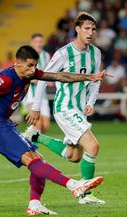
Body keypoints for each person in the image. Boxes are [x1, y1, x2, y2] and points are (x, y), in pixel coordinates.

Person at [0, 45, 107, 215]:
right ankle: (74, 185)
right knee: (32, 159)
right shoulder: (6, 78)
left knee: (37, 160)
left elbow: (59, 76)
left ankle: (34, 205)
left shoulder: (30, 73)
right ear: (17, 64)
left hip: (4, 125)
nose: (33, 70)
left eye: (35, 65)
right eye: (29, 66)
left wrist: (89, 77)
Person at [24, 12, 106, 205]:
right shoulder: (63, 54)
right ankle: (85, 195)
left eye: (93, 29)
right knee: (93, 146)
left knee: (74, 156)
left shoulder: (96, 53)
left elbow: (95, 80)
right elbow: (44, 78)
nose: (90, 32)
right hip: (64, 107)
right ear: (77, 29)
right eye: (86, 28)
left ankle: (35, 136)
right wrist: (36, 108)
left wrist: (90, 103)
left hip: (78, 109)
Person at [23, 33, 51, 132]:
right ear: (31, 43)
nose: (38, 44)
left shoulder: (46, 55)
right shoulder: (26, 55)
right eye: (36, 42)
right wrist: (32, 79)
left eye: (40, 42)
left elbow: (48, 73)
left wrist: (49, 80)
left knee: (45, 126)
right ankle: (31, 146)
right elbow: (21, 72)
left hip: (43, 95)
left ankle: (27, 136)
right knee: (36, 123)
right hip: (30, 94)